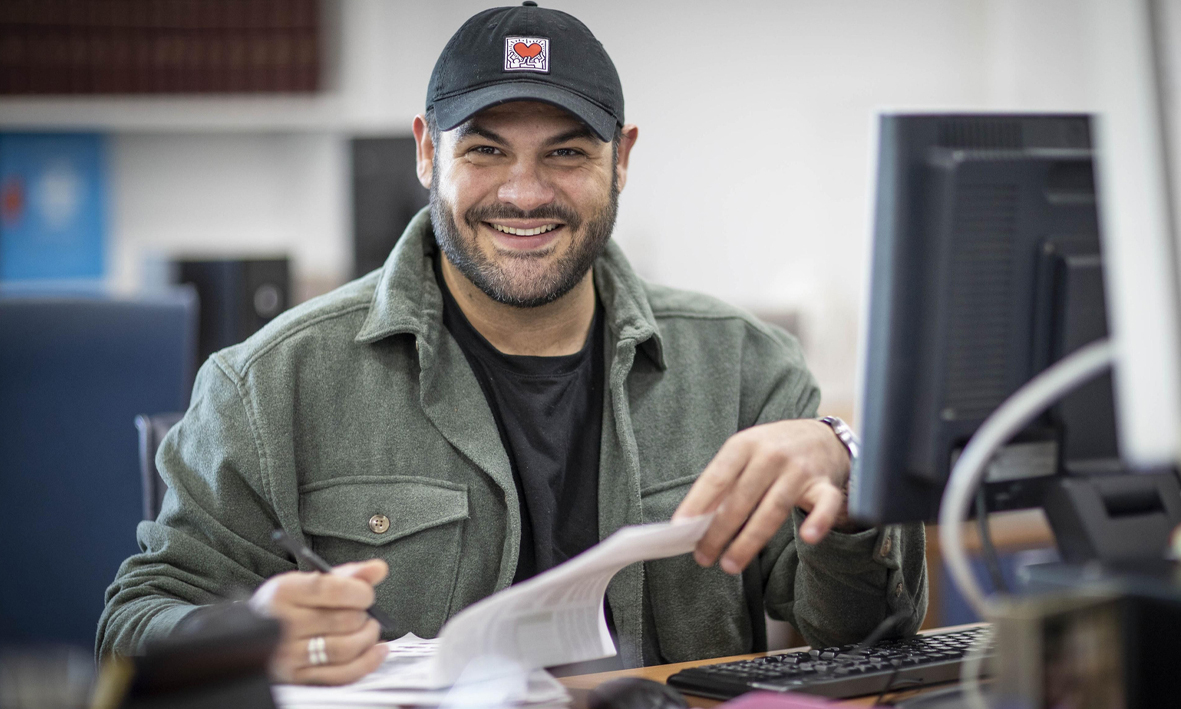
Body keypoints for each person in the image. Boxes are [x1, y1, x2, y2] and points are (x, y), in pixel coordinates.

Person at [98, 3, 927, 685]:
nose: (525, 194)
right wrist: (246, 632)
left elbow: (867, 638)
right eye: (486, 151)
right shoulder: (268, 382)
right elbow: (131, 624)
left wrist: (849, 475)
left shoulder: (748, 368)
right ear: (428, 151)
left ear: (621, 159)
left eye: (565, 153)